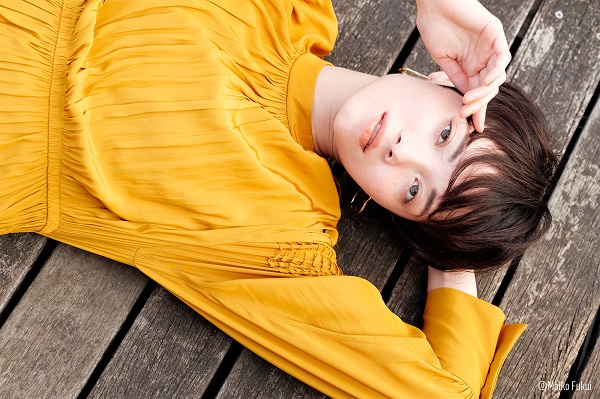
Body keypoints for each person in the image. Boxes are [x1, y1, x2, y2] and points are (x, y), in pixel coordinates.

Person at [0, 0, 557, 397]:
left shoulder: (275, 237)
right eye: (444, 136)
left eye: (416, 192)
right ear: (447, 80)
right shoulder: (292, 9)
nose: (401, 152)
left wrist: (450, 247)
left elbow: (440, 391)